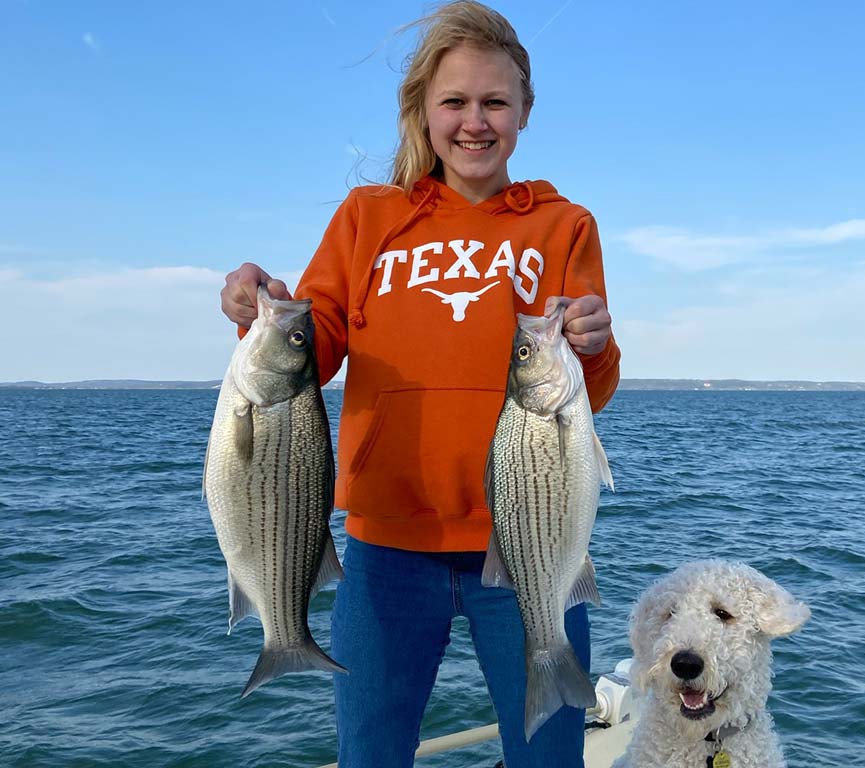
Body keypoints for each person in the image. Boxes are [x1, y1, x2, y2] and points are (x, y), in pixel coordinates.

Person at [219, 2, 620, 766]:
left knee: (549, 753)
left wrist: (595, 346)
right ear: (422, 111)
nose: (476, 122)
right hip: (386, 549)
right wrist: (259, 305)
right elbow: (318, 341)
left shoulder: (563, 225)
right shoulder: (370, 217)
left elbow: (586, 392)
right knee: (371, 753)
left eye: (495, 103)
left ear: (526, 111)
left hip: (528, 538)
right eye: (455, 102)